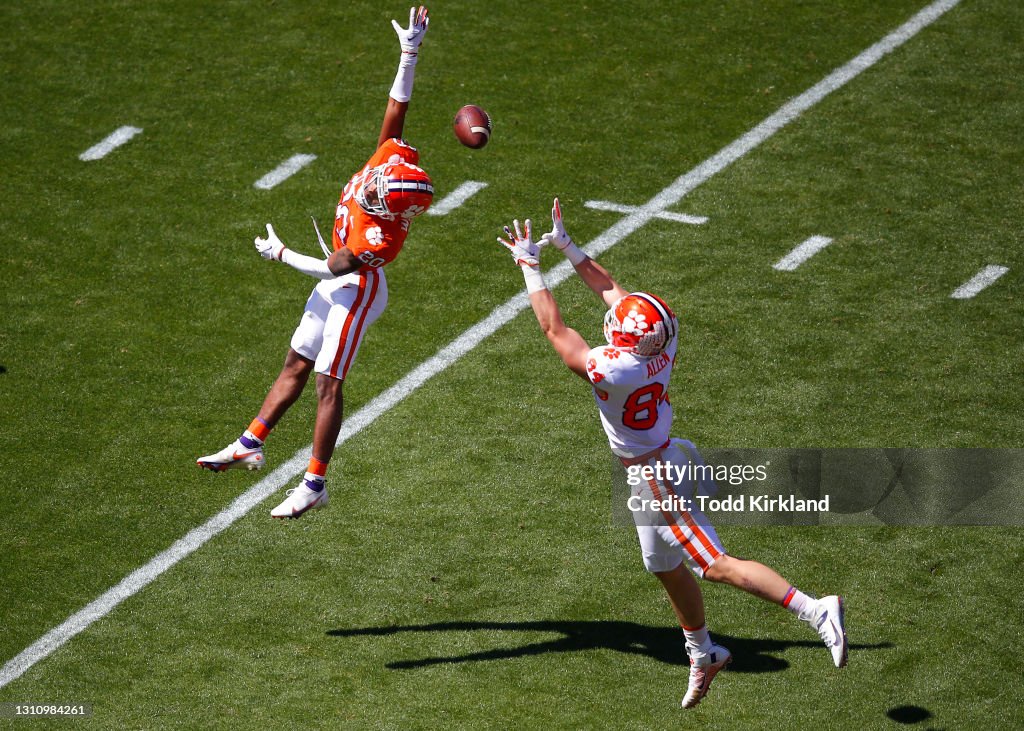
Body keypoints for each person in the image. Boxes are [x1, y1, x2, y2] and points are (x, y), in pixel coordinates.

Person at [497, 200, 848, 709]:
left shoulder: (614, 371)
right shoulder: (664, 335)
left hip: (654, 474)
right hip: (661, 457)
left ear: (623, 342)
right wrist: (567, 246)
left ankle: (815, 609)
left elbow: (555, 330)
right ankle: (703, 652)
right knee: (661, 563)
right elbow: (611, 290)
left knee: (714, 564)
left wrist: (531, 265)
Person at [197, 7, 434, 519]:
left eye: (376, 188)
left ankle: (315, 482)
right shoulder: (389, 164)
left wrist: (281, 254)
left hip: (358, 289)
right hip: (338, 285)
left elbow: (332, 268)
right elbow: (398, 105)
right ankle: (249, 443)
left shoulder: (382, 237)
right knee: (296, 362)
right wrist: (409, 53)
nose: (369, 181)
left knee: (328, 381)